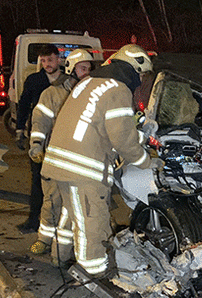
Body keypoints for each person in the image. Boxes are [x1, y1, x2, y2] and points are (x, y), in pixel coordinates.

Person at [41, 44, 154, 277]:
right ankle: (93, 275)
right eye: (141, 75)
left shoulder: (89, 83)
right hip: (83, 169)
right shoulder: (118, 89)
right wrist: (147, 161)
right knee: (92, 224)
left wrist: (140, 135)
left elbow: (100, 125)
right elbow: (122, 139)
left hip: (59, 162)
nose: (141, 80)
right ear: (133, 69)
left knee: (70, 214)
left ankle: (60, 257)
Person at [27, 49, 96, 266]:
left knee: (79, 206)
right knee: (52, 201)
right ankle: (44, 239)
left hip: (79, 161)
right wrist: (36, 145)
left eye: (89, 69)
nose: (87, 73)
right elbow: (40, 123)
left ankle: (71, 245)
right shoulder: (52, 94)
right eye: (83, 68)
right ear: (72, 69)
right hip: (55, 158)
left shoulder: (92, 95)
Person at [15, 44, 69, 234]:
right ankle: (33, 219)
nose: (47, 64)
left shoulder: (69, 82)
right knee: (37, 180)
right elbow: (23, 105)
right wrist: (20, 130)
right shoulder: (34, 80)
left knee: (61, 182)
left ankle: (61, 221)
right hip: (40, 139)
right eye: (44, 61)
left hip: (62, 140)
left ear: (59, 59)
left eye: (51, 60)